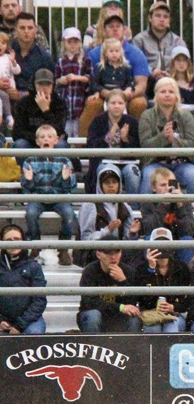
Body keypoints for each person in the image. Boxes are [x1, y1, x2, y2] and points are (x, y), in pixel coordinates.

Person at [79, 14, 149, 137]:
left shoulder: (136, 54)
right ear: (104, 31)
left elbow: (141, 85)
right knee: (93, 104)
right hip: (103, 93)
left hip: (127, 95)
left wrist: (126, 93)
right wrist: (103, 93)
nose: (115, 29)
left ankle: (139, 144)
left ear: (124, 30)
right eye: (111, 26)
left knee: (139, 103)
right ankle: (84, 148)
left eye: (118, 26)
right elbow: (91, 81)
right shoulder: (94, 55)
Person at [20, 124, 76, 266]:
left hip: (59, 197)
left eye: (50, 137)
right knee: (31, 213)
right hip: (37, 197)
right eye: (42, 137)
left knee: (69, 214)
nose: (46, 139)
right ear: (37, 142)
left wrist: (65, 179)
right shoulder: (29, 160)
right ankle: (35, 244)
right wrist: (29, 179)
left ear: (56, 141)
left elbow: (71, 186)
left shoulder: (64, 160)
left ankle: (63, 248)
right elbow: (27, 188)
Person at [138, 76, 194, 194]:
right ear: (156, 95)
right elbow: (144, 145)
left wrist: (174, 140)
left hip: (182, 163)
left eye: (171, 92)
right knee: (148, 176)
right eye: (163, 91)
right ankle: (141, 210)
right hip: (155, 163)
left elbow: (192, 144)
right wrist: (163, 137)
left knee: (193, 175)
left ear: (177, 96)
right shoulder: (147, 115)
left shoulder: (186, 116)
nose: (167, 95)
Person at [76, 162, 141, 268]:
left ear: (119, 184)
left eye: (114, 182)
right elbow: (85, 240)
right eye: (107, 182)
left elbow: (126, 242)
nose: (111, 185)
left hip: (117, 252)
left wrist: (132, 233)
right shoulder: (90, 205)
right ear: (100, 185)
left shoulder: (125, 207)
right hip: (97, 252)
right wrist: (108, 230)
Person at [76, 240, 142, 333]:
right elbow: (89, 302)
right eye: (108, 253)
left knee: (134, 319)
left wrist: (122, 282)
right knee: (94, 316)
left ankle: (130, 347)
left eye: (117, 252)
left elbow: (132, 303)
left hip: (118, 317)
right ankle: (92, 346)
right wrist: (120, 307)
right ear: (98, 254)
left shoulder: (128, 272)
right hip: (94, 314)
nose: (113, 257)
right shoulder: (90, 271)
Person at [134, 226, 191, 333]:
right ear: (150, 247)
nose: (161, 248)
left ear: (171, 246)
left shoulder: (181, 268)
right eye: (158, 245)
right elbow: (143, 299)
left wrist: (173, 307)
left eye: (165, 244)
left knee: (171, 329)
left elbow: (187, 300)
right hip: (151, 314)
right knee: (152, 329)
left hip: (175, 315)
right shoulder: (142, 268)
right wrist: (151, 269)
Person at [85, 88, 141, 194]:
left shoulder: (131, 121)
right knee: (110, 173)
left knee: (133, 173)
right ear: (107, 104)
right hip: (104, 161)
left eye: (120, 103)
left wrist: (125, 139)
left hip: (127, 162)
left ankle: (133, 207)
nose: (116, 106)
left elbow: (138, 147)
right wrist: (107, 138)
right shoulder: (98, 120)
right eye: (113, 103)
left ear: (125, 105)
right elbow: (90, 145)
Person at [139, 166, 194, 264]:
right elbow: (150, 229)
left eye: (171, 184)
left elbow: (188, 231)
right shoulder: (147, 202)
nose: (168, 188)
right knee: (148, 240)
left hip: (177, 243)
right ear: (153, 188)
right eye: (163, 185)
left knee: (188, 240)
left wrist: (180, 205)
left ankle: (186, 276)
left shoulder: (184, 201)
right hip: (158, 242)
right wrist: (164, 203)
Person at [132, 0, 186, 96]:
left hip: (172, 82)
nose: (162, 19)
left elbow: (185, 64)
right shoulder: (139, 39)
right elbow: (135, 63)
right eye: (158, 16)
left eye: (165, 17)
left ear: (169, 20)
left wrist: (171, 72)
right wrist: (152, 71)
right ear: (150, 18)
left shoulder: (177, 41)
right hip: (147, 82)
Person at [12, 68, 69, 160]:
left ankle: (58, 173)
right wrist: (39, 139)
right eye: (40, 84)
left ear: (53, 86)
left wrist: (46, 110)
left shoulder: (60, 103)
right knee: (20, 144)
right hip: (30, 142)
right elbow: (17, 133)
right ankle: (25, 173)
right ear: (34, 85)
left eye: (48, 84)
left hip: (52, 142)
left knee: (61, 145)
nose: (45, 87)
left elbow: (59, 129)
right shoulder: (23, 103)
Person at [0, 223, 46, 334]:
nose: (13, 243)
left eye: (17, 239)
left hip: (30, 320)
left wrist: (19, 326)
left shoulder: (34, 266)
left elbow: (39, 301)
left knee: (34, 332)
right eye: (9, 240)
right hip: (3, 321)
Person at [54, 27, 92, 138]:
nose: (72, 45)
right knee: (66, 129)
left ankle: (78, 154)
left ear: (80, 43)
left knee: (78, 130)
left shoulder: (85, 59)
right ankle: (68, 153)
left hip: (79, 99)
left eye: (75, 41)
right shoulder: (61, 61)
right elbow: (56, 80)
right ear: (64, 43)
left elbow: (90, 78)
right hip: (65, 99)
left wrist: (77, 78)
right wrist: (63, 80)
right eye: (69, 42)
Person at [10, 12, 53, 100]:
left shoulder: (44, 57)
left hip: (34, 103)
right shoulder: (6, 52)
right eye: (22, 28)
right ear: (16, 30)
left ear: (35, 30)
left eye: (30, 28)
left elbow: (51, 85)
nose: (26, 31)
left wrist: (27, 94)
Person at [88, 37, 134, 106]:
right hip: (106, 94)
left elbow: (130, 82)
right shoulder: (101, 67)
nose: (114, 54)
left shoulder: (126, 67)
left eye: (117, 51)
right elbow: (95, 82)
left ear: (121, 52)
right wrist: (97, 92)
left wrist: (128, 89)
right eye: (111, 51)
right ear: (105, 53)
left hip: (120, 95)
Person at [0, 31, 19, 129]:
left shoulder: (8, 58)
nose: (0, 46)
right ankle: (8, 116)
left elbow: (17, 71)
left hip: (10, 87)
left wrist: (14, 62)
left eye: (3, 43)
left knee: (16, 98)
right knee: (3, 96)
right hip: (1, 90)